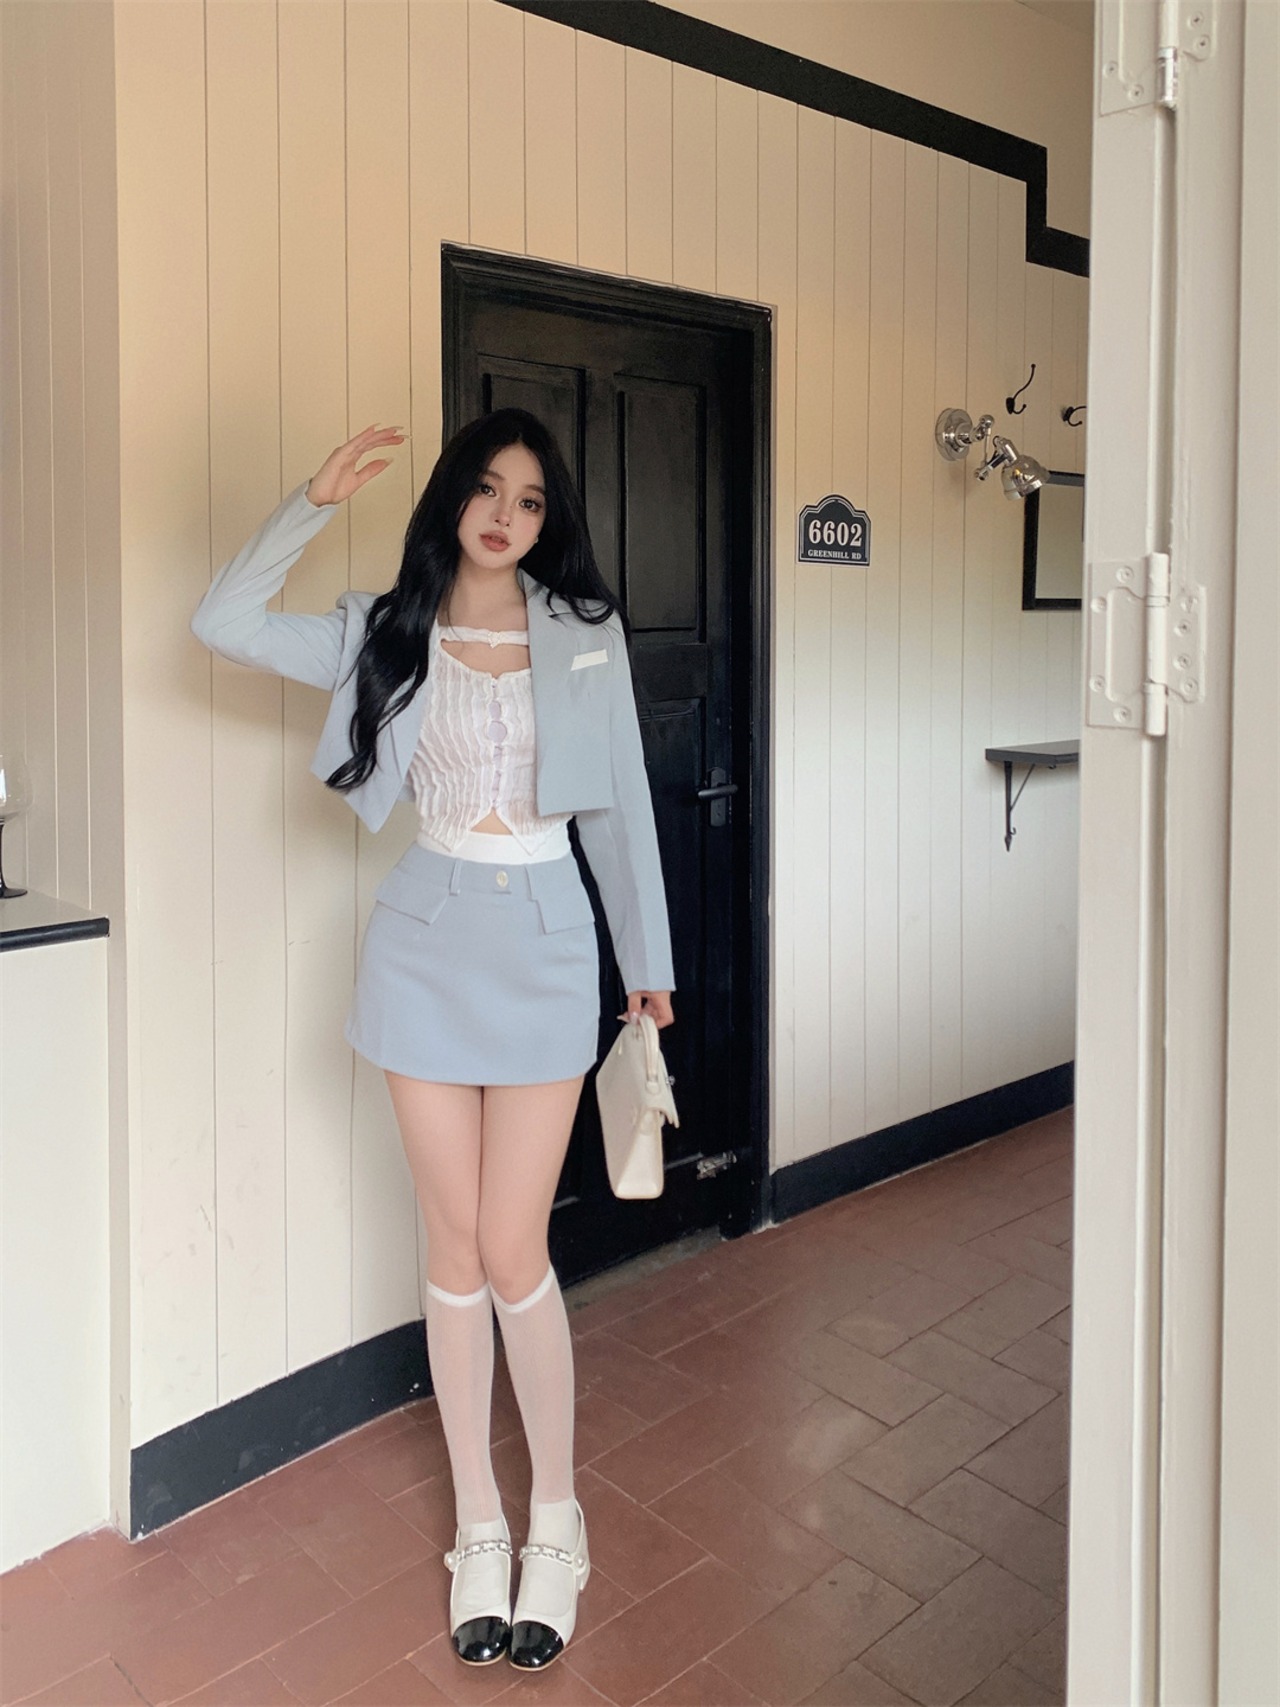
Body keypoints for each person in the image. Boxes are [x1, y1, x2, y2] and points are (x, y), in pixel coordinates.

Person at [190, 411, 675, 1671]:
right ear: (455, 498)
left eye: (529, 497)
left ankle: (555, 1515)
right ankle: (478, 1522)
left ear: (547, 518)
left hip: (548, 944)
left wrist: (648, 968)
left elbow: (619, 806)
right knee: (451, 1247)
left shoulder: (583, 631)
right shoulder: (384, 629)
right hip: (421, 941)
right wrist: (310, 499)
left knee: (514, 1245)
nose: (505, 514)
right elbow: (222, 622)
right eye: (486, 489)